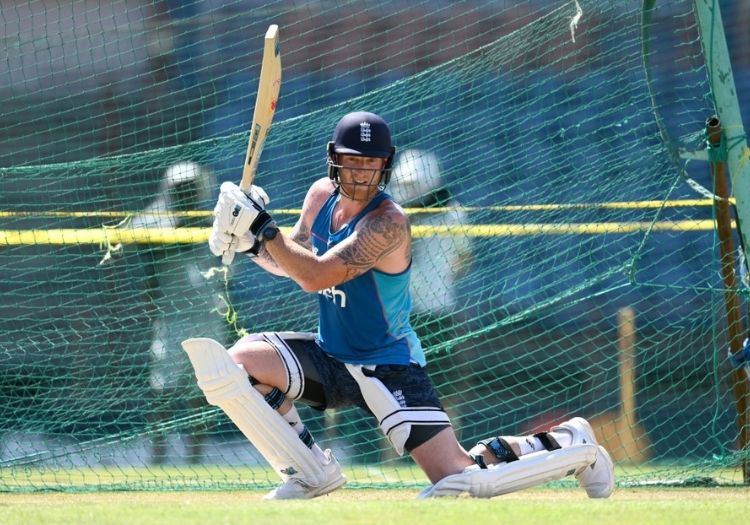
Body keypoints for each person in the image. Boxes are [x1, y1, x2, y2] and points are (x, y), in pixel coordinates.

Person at [182, 111, 615, 499]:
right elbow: (294, 260)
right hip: (332, 355)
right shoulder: (319, 196)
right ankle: (312, 473)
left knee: (458, 477)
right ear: (334, 158)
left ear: (385, 165)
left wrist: (262, 227)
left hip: (388, 366)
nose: (360, 172)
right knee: (237, 363)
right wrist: (252, 244)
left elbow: (314, 277)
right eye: (352, 160)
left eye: (371, 163)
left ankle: (570, 443)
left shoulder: (387, 223)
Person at [133, 161, 228, 465]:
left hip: (208, 314)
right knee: (163, 390)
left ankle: (195, 458)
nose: (184, 192)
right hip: (172, 317)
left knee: (203, 391)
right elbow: (139, 238)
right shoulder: (156, 219)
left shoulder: (212, 218)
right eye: (179, 188)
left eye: (189, 186)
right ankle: (157, 456)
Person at [388, 149, 473, 351]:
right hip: (395, 315)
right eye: (404, 184)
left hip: (437, 312)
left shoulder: (452, 215)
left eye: (413, 184)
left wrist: (443, 277)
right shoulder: (389, 215)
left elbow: (466, 257)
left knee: (444, 372)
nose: (407, 190)